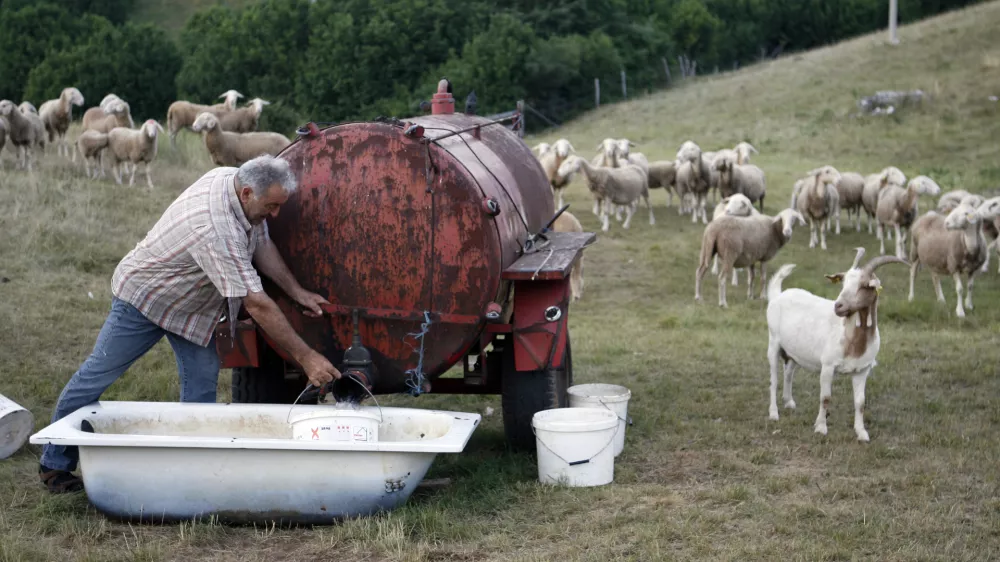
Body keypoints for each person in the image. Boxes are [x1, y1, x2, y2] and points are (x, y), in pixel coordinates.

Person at [39, 155, 342, 494]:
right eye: (271, 206)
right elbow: (257, 304)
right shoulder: (214, 227)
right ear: (247, 193)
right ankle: (54, 463)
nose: (274, 214)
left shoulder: (236, 182)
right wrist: (307, 358)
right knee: (97, 374)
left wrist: (297, 292)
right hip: (145, 298)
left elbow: (263, 243)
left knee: (201, 387)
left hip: (192, 309)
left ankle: (193, 472)